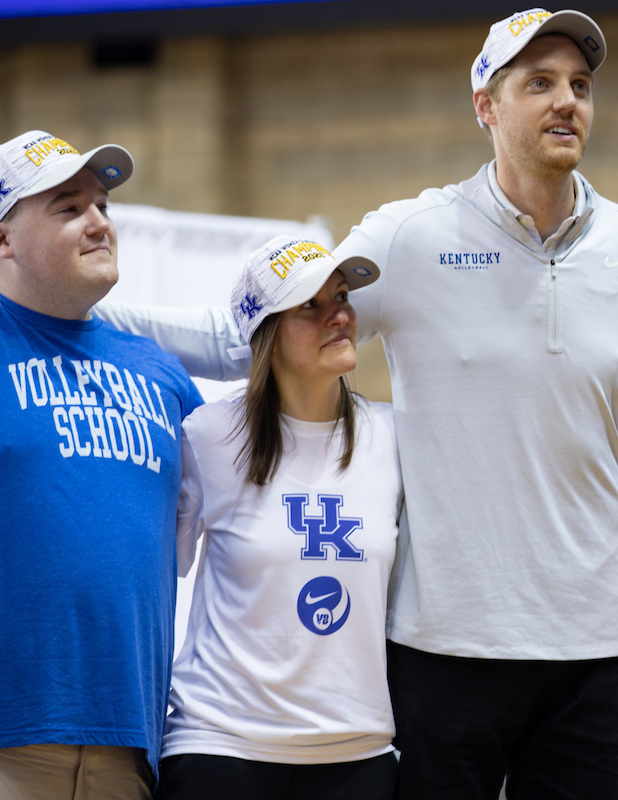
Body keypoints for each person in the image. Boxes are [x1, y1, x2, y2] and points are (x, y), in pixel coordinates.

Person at [95, 9, 618, 798]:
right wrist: (87, 317)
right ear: (485, 103)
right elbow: (263, 327)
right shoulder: (411, 235)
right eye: (539, 83)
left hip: (597, 648)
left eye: (580, 86)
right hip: (442, 648)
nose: (567, 103)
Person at [0, 131, 203, 798]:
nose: (100, 223)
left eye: (104, 206)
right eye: (68, 208)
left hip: (129, 752)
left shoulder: (163, 375)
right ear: (1, 240)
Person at [154, 235, 400, 800]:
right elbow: (148, 579)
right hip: (221, 747)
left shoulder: (393, 436)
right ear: (264, 333)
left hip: (357, 753)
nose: (338, 314)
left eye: (341, 296)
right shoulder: (208, 435)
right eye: (310, 305)